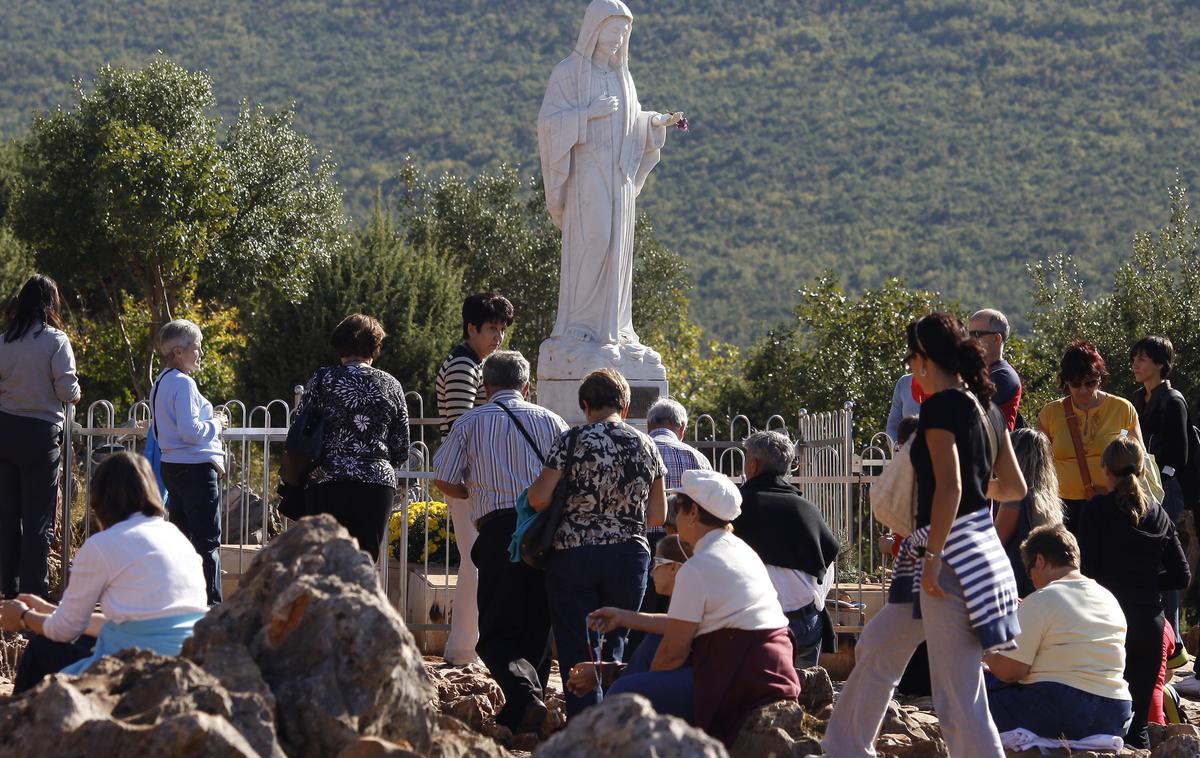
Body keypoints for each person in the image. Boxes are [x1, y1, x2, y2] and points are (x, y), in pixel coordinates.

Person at [822, 313, 1028, 758]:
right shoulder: (988, 409)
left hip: (944, 558)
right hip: (973, 553)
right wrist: (973, 494)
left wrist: (933, 555)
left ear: (922, 359)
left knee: (957, 696)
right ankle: (844, 748)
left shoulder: (939, 407)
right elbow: (1013, 488)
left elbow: (950, 487)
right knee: (879, 645)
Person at [591, 469, 800, 745]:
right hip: (761, 670)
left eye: (677, 507)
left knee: (624, 694)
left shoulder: (699, 567)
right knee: (652, 647)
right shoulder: (737, 549)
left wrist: (641, 691)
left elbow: (672, 654)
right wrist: (625, 617)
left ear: (692, 513)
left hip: (741, 683)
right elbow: (681, 625)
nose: (673, 517)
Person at [432, 350, 568, 733]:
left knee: (494, 630)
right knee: (538, 624)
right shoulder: (553, 420)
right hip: (544, 531)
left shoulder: (471, 421)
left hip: (498, 529)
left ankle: (526, 702)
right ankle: (526, 708)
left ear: (485, 386)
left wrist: (470, 492)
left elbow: (442, 477)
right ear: (527, 386)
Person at [537, 0, 683, 350]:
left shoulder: (623, 77)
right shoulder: (569, 72)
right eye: (613, 29)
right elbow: (548, 123)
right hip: (588, 173)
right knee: (596, 240)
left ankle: (614, 327)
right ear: (595, 28)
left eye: (624, 31)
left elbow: (630, 120)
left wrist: (654, 122)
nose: (618, 38)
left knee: (617, 247)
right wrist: (588, 113)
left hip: (618, 174)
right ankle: (580, 325)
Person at [0, 452, 207, 693]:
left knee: (41, 649)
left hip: (139, 663)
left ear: (100, 498)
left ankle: (19, 724)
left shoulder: (102, 545)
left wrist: (24, 617)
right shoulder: (175, 537)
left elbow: (64, 631)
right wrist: (50, 610)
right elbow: (134, 623)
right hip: (187, 658)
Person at [527, 368, 667, 717]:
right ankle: (614, 727)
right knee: (615, 642)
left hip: (574, 554)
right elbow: (658, 515)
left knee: (577, 644)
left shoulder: (572, 440)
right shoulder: (645, 444)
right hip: (628, 555)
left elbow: (539, 498)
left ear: (585, 404)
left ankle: (585, 728)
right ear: (625, 403)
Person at [1074, 435, 1190, 749]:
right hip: (1150, 623)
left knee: (1102, 722)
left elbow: (1086, 571)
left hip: (1108, 621)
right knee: (1137, 727)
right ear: (1141, 472)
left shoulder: (1096, 510)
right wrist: (1148, 585)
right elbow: (1182, 574)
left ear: (1104, 470)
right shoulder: (1158, 514)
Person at [983, 524, 1133, 741]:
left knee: (976, 694)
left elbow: (1012, 671)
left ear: (1041, 561)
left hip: (1062, 706)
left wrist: (985, 652)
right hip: (1115, 713)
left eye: (1029, 569)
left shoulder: (1041, 599)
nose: (1031, 579)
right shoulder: (1109, 598)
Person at [436, 292, 513, 665]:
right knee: (475, 563)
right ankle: (466, 647)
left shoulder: (471, 364)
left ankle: (466, 644)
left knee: (475, 563)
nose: (498, 337)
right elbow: (461, 425)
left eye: (501, 330)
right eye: (492, 329)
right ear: (472, 328)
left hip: (471, 479)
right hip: (467, 480)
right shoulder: (463, 367)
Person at [295, 314, 410, 562]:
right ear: (375, 346)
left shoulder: (323, 379)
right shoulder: (391, 385)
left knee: (323, 564)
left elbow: (300, 427)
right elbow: (401, 447)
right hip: (375, 485)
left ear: (340, 344)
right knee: (363, 565)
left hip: (327, 481)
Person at [0, 274, 80, 599]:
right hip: (40, 434)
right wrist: (75, 394)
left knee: (7, 516)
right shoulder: (55, 340)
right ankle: (33, 595)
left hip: (5, 430)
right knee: (38, 519)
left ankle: (8, 590)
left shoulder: (3, 340)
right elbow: (67, 389)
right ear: (51, 303)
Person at [733, 430, 839, 667]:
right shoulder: (807, 509)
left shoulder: (736, 508)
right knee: (803, 697)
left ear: (753, 464)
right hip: (806, 622)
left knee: (758, 699)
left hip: (756, 625)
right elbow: (828, 564)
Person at [566, 534, 695, 723]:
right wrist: (604, 671)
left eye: (656, 563)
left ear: (674, 567)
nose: (651, 573)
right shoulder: (685, 605)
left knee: (625, 690)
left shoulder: (694, 602)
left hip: (700, 689)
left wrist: (605, 673)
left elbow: (662, 664)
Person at [153, 318, 226, 605]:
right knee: (207, 541)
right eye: (196, 347)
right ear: (178, 352)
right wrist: (217, 423)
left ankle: (181, 599)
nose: (200, 353)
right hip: (195, 469)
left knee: (182, 540)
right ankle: (211, 605)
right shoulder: (183, 383)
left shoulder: (161, 381)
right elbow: (191, 431)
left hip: (172, 465)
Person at [1130, 335, 1190, 666]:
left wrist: (1155, 476)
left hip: (1165, 491)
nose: (1136, 364)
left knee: (1165, 562)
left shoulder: (1173, 401)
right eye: (1135, 357)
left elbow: (1178, 455)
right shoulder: (1138, 398)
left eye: (1143, 358)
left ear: (1160, 363)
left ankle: (1176, 642)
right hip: (1142, 489)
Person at [1037, 340, 1142, 528]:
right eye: (1076, 384)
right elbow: (1038, 464)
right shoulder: (1050, 413)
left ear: (1100, 379)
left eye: (1090, 382)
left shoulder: (1122, 409)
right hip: (1063, 507)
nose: (1083, 390)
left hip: (1114, 505)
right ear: (1066, 382)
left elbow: (1138, 459)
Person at [995, 429, 1063, 597]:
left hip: (1020, 584)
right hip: (1045, 582)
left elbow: (996, 542)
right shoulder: (1049, 500)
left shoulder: (1016, 497)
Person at [970, 309, 1022, 431]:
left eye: (976, 335)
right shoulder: (981, 371)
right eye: (968, 335)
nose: (970, 340)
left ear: (996, 339)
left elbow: (971, 411)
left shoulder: (1003, 376)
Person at [885, 374, 922, 444]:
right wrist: (897, 450)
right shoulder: (903, 383)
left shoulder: (946, 381)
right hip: (908, 452)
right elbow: (892, 426)